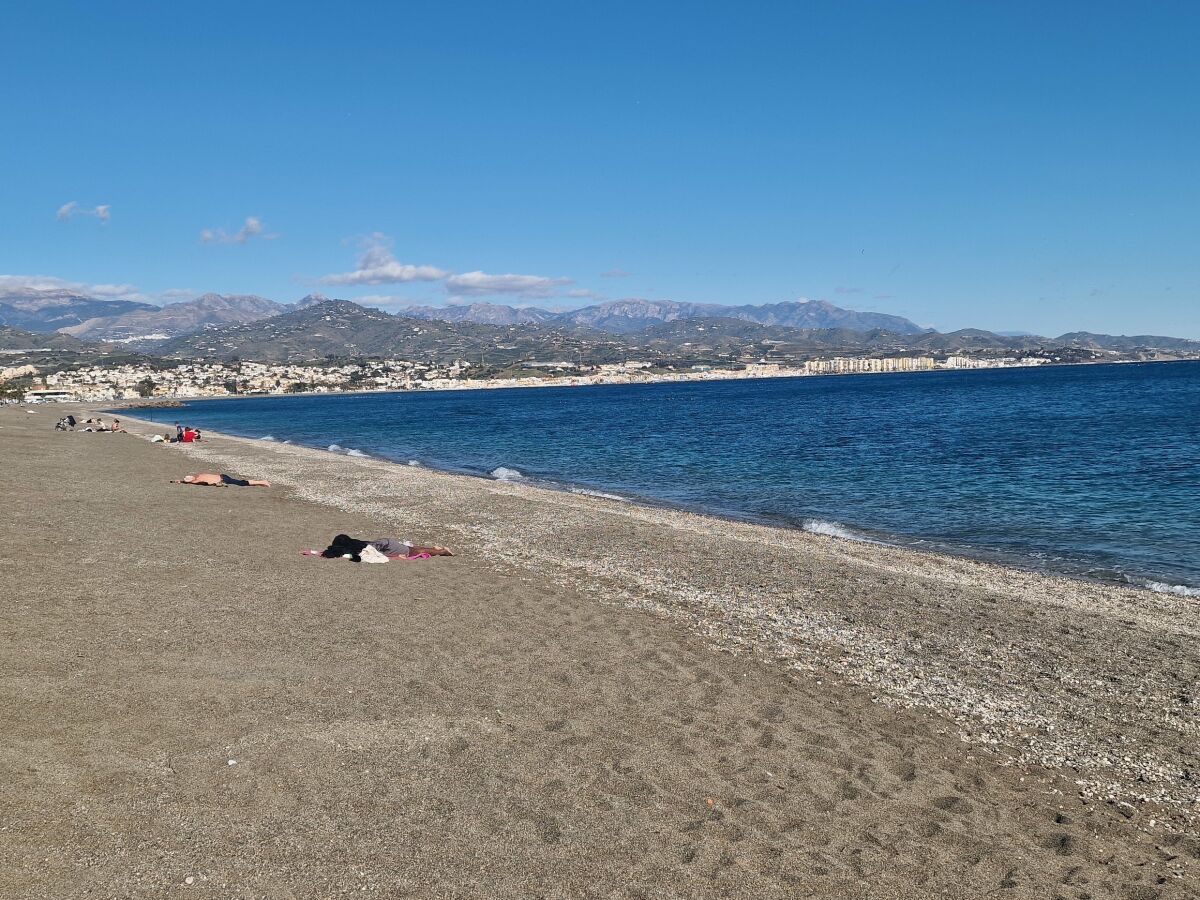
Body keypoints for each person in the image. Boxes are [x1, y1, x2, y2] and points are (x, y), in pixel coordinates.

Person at [171, 473, 271, 487]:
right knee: (241, 482)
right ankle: (261, 482)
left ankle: (262, 481)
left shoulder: (197, 479)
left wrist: (219, 484)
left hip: (223, 479)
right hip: (223, 476)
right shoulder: (198, 477)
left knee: (241, 483)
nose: (188, 477)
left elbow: (208, 483)